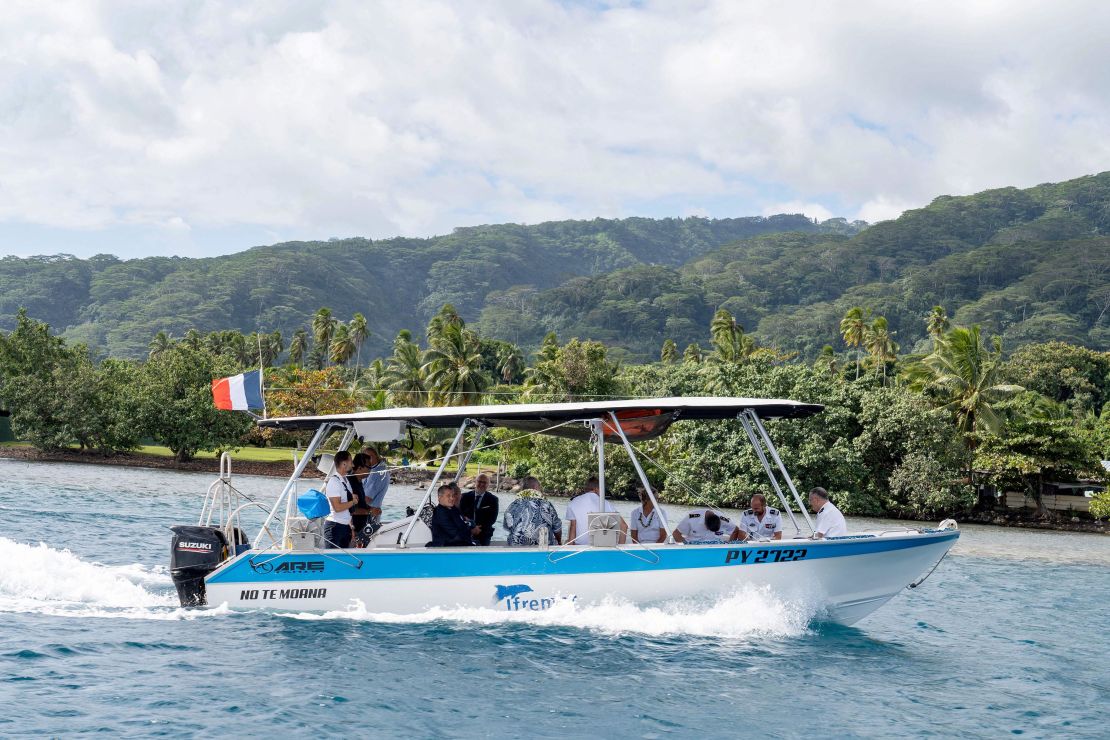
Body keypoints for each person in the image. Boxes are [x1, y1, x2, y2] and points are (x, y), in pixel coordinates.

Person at [564, 477, 626, 545]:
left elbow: (573, 527)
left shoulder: (573, 502)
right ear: (597, 489)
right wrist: (621, 547)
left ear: (586, 488)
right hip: (601, 546)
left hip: (580, 547)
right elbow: (624, 526)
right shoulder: (606, 504)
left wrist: (570, 547)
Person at [502, 476, 562, 546]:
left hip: (515, 548)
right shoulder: (546, 504)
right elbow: (557, 528)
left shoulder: (513, 505)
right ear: (535, 487)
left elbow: (506, 526)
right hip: (542, 548)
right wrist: (559, 541)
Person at [323, 451, 357, 549]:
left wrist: (351, 527)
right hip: (334, 527)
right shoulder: (334, 482)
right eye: (351, 461)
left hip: (345, 527)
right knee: (333, 560)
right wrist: (353, 502)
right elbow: (337, 507)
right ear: (344, 464)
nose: (353, 464)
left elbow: (348, 510)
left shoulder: (346, 481)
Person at [460, 473, 499, 546]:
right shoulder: (464, 497)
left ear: (488, 485)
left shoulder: (493, 499)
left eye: (484, 482)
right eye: (479, 481)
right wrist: (471, 528)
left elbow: (492, 519)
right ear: (475, 482)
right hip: (466, 531)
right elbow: (461, 514)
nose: (481, 484)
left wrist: (477, 529)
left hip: (484, 533)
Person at [673, 508, 741, 543]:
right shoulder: (692, 517)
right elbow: (676, 534)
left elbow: (735, 530)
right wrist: (685, 545)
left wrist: (730, 545)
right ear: (704, 523)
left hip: (716, 547)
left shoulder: (723, 519)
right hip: (693, 546)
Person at [347, 453, 371, 536]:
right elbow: (350, 509)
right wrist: (370, 511)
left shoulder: (358, 481)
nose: (370, 469)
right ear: (360, 467)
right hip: (353, 531)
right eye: (369, 467)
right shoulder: (350, 482)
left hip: (361, 528)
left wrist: (370, 508)